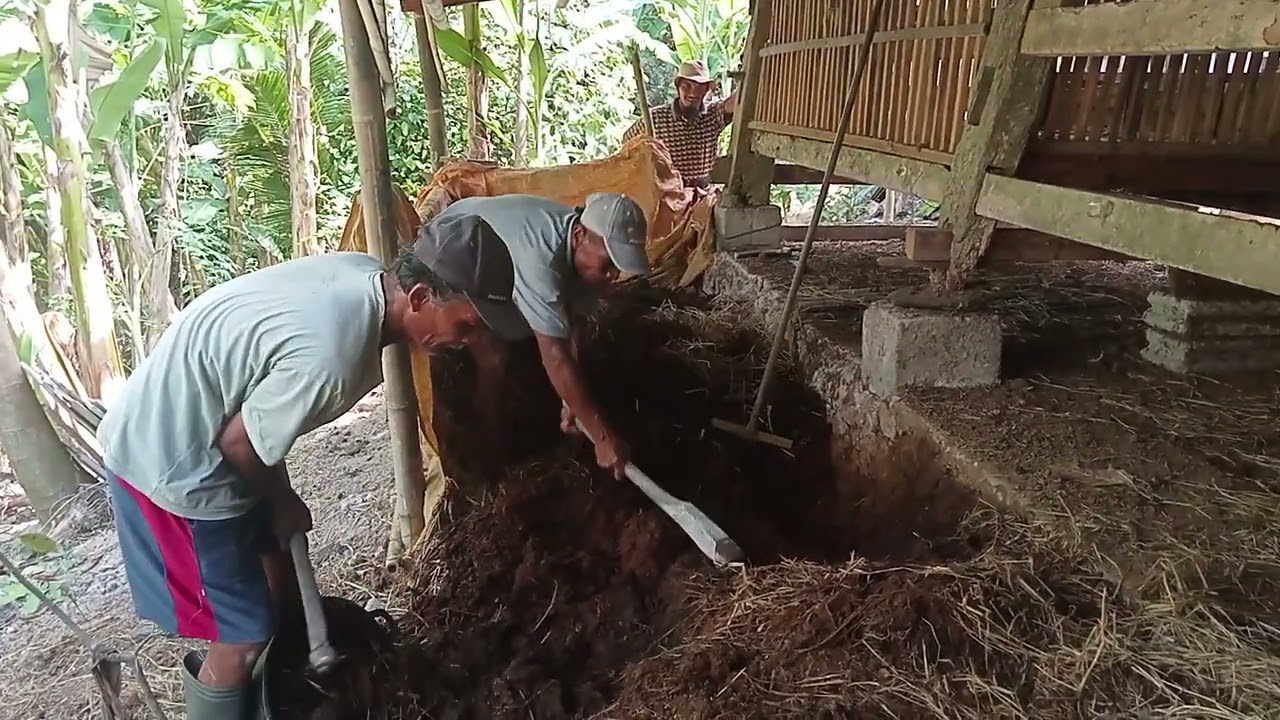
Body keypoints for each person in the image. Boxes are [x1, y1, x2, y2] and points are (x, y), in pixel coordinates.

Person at [95, 214, 524, 719]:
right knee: (242, 635)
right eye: (466, 324)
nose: (468, 339)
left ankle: (269, 701)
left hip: (210, 430)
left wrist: (279, 501)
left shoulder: (365, 276)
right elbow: (239, 443)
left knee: (281, 592)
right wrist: (283, 500)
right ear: (420, 297)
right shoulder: (334, 356)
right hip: (171, 459)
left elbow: (251, 422)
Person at [432, 191, 650, 480]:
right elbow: (555, 355)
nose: (614, 276)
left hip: (494, 257)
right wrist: (602, 436)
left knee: (533, 336)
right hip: (451, 246)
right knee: (494, 354)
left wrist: (572, 402)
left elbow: (573, 324)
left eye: (618, 267)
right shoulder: (542, 262)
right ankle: (489, 448)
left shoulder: (586, 261)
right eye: (609, 263)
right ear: (579, 236)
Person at [622, 59, 738, 189]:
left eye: (699, 87)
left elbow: (735, 102)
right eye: (687, 86)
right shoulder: (655, 118)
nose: (693, 93)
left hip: (703, 194)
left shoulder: (713, 115)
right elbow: (627, 140)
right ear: (678, 87)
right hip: (668, 192)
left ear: (706, 90)